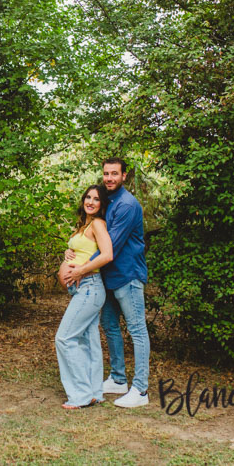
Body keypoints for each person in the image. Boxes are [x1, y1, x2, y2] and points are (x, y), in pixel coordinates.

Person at [62, 157, 149, 408]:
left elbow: (110, 246)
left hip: (127, 275)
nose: (109, 178)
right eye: (106, 173)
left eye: (114, 174)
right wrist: (72, 255)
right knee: (110, 326)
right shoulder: (107, 201)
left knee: (136, 330)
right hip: (106, 275)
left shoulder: (127, 205)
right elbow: (92, 240)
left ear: (124, 176)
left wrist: (78, 268)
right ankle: (118, 378)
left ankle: (140, 390)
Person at [55, 185, 114, 410]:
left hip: (90, 287)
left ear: (102, 204)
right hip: (83, 290)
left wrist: (79, 270)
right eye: (88, 197)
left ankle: (80, 394)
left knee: (64, 338)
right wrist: (67, 254)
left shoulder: (98, 224)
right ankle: (94, 392)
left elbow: (107, 255)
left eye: (96, 199)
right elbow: (82, 251)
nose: (90, 201)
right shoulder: (85, 225)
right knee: (89, 342)